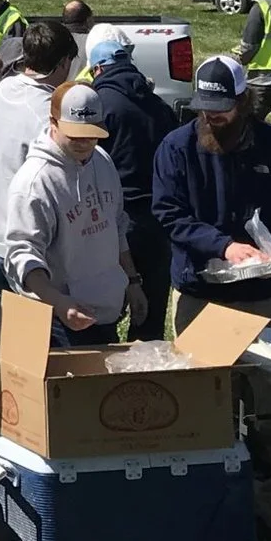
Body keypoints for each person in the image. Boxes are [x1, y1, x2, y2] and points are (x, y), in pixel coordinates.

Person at [152, 53, 271, 531]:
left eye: (221, 109)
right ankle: (207, 503)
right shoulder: (176, 148)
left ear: (245, 102)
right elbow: (168, 213)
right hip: (201, 295)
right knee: (205, 401)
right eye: (205, 109)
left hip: (265, 297)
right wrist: (223, 247)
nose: (212, 117)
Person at [0, 19, 81, 432]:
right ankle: (29, 434)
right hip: (31, 250)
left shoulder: (2, 91)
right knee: (35, 356)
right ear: (61, 64)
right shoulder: (46, 114)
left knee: (3, 350)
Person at [2, 82, 143, 344]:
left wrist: (132, 281)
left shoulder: (102, 161)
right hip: (60, 323)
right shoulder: (35, 182)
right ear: (53, 122)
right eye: (75, 134)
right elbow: (22, 255)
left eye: (91, 134)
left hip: (104, 314)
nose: (84, 142)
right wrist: (60, 304)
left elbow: (116, 225)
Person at [84, 26, 179, 340]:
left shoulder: (99, 106)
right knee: (148, 321)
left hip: (111, 223)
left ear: (98, 68)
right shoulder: (158, 105)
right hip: (156, 221)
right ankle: (145, 384)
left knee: (100, 317)